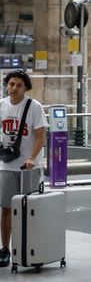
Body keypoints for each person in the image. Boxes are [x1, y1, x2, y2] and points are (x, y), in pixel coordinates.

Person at [0, 69, 46, 268]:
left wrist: (31, 159)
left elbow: (40, 137)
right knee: (6, 208)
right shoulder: (1, 106)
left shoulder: (34, 107)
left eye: (18, 85)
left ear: (25, 87)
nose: (14, 88)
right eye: (11, 84)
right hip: (7, 165)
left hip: (29, 167)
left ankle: (30, 248)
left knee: (29, 209)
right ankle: (5, 249)